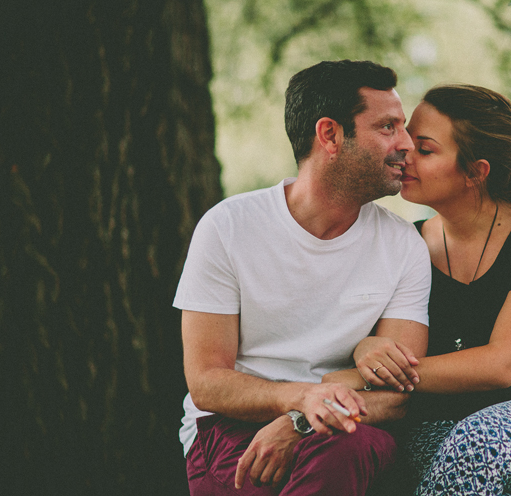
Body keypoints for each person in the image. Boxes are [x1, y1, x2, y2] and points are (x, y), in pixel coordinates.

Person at [324, 84, 511, 496]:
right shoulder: (409, 244)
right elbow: (382, 340)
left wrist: (360, 376)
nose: (405, 154)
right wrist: (367, 350)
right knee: (387, 454)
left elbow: (501, 365)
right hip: (440, 428)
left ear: (476, 171)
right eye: (406, 140)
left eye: (425, 148)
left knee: (479, 443)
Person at [176, 60, 431, 496]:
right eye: (387, 127)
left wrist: (300, 421)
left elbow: (397, 394)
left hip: (348, 429)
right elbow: (206, 382)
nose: (406, 143)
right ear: (329, 135)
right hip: (232, 427)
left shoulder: (403, 244)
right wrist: (299, 400)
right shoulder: (228, 227)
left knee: (349, 448)